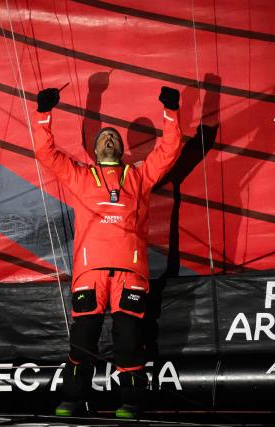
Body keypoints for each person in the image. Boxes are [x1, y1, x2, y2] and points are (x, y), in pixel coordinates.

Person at [33, 85, 182, 419]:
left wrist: (171, 112)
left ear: (122, 147)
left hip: (131, 275)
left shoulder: (140, 176)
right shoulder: (80, 176)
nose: (109, 140)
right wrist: (44, 115)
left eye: (114, 137)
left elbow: (170, 150)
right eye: (103, 138)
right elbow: (46, 153)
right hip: (90, 274)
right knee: (82, 342)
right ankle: (72, 401)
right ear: (95, 148)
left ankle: (131, 405)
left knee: (129, 343)